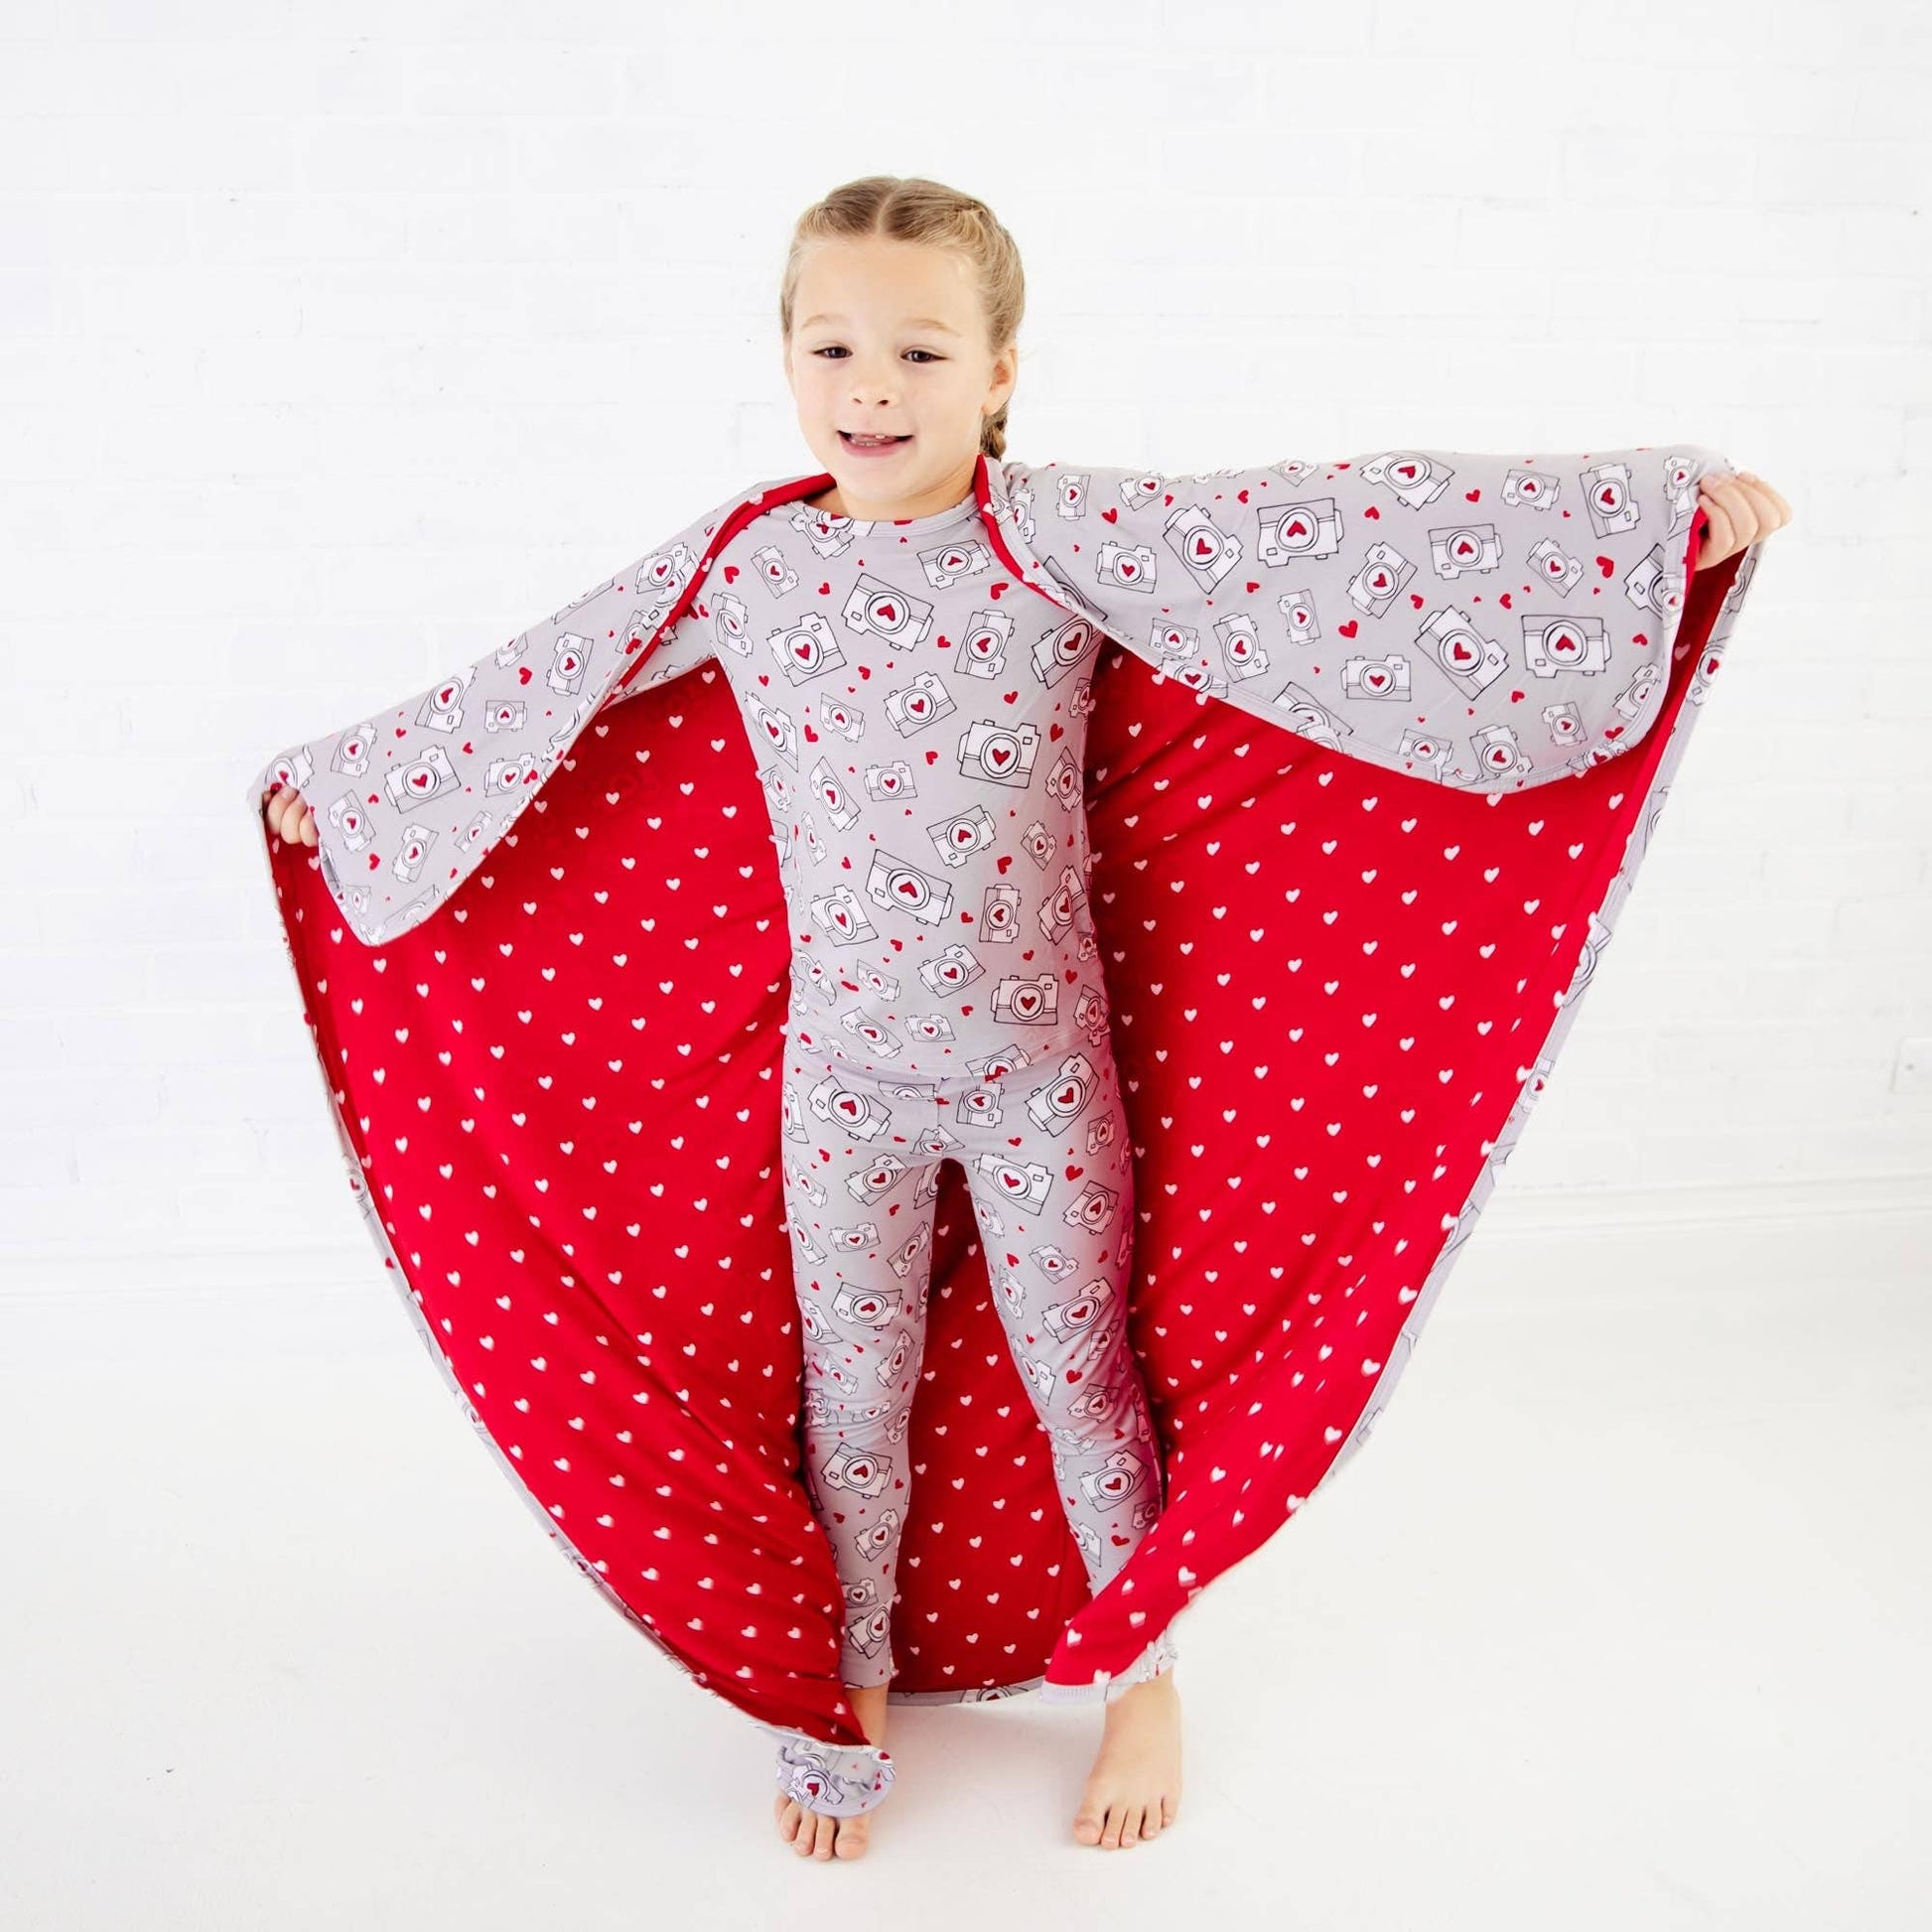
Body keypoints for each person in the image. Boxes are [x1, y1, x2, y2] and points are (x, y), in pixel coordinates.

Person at [261, 174, 1791, 1866]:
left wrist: (1638, 534)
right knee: (853, 1402)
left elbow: (1316, 538)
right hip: (840, 1089)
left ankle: (1138, 1675)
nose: (871, 386)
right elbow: (553, 681)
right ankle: (848, 1677)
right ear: (785, 358)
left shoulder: (1046, 537)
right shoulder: (749, 566)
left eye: (920, 351)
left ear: (997, 373)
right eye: (833, 346)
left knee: (1081, 1383)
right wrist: (359, 795)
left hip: (1035, 1084)